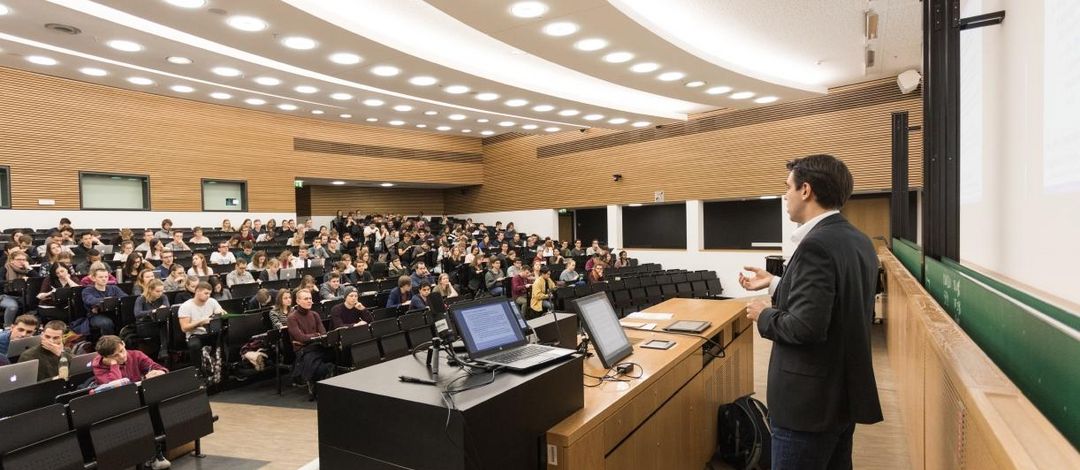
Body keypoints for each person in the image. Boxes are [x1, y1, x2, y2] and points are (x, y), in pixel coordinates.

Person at [740, 155, 882, 469]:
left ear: (806, 190)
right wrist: (777, 283)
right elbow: (834, 304)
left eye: (787, 188)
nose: (784, 196)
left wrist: (764, 314)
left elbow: (805, 327)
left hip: (808, 407)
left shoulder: (816, 245)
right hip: (839, 396)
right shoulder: (857, 240)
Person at [287, 289, 333, 398]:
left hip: (317, 346)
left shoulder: (314, 314)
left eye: (310, 299)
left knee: (336, 353)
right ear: (298, 301)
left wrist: (313, 337)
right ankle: (315, 384)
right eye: (306, 299)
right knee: (319, 365)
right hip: (303, 349)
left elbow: (323, 333)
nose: (309, 301)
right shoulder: (292, 317)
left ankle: (316, 382)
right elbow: (301, 338)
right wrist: (316, 335)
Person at [178, 282, 225, 379]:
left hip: (211, 332)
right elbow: (184, 328)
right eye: (206, 293)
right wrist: (200, 322)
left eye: (209, 294)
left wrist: (221, 313)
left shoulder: (212, 301)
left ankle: (221, 367)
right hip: (195, 335)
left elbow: (220, 312)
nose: (208, 296)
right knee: (194, 345)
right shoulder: (186, 306)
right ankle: (198, 372)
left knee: (225, 336)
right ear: (197, 291)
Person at [92, 334, 167, 384]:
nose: (122, 356)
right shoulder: (99, 367)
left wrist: (160, 371)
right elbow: (115, 387)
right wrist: (114, 365)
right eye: (115, 355)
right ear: (106, 357)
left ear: (123, 343)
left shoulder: (136, 355)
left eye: (121, 350)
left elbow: (157, 367)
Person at [80, 268, 121, 335]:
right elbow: (91, 301)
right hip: (95, 315)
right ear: (94, 278)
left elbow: (124, 298)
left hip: (113, 312)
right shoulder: (87, 290)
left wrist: (104, 302)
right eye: (100, 277)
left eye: (106, 277)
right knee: (106, 323)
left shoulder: (113, 288)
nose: (104, 279)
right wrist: (111, 300)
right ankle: (108, 343)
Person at [3, 250, 31, 326]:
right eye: (18, 259)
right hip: (6, 296)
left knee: (33, 304)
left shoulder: (26, 270)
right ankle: (7, 327)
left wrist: (29, 268)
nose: (22, 262)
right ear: (12, 260)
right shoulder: (5, 269)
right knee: (12, 307)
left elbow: (37, 278)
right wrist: (18, 282)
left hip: (23, 296)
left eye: (24, 260)